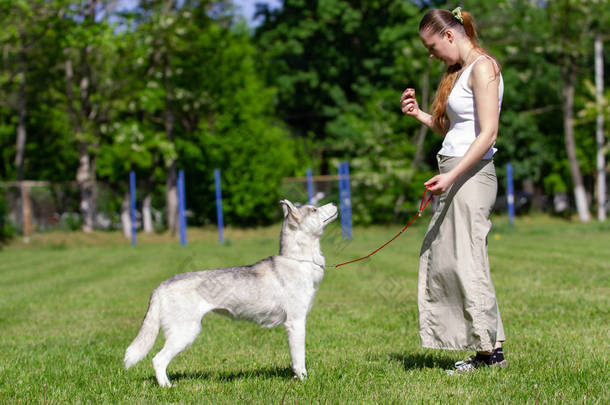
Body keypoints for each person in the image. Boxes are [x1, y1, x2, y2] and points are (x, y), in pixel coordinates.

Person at [400, 7, 507, 373]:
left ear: (449, 35)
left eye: (432, 46)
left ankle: (487, 356)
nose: (431, 55)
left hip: (471, 175)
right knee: (460, 258)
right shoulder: (461, 72)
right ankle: (491, 346)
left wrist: (453, 175)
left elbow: (488, 133)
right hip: (456, 171)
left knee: (467, 260)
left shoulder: (484, 68)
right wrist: (419, 115)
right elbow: (457, 132)